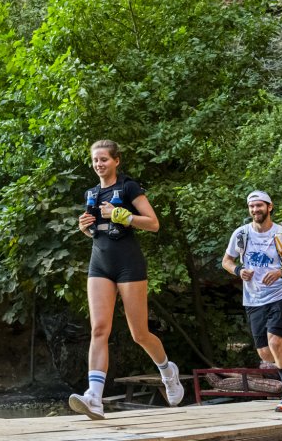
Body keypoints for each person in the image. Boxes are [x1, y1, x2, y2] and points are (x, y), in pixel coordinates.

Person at [68, 139, 184, 419]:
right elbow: (99, 231)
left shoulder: (129, 187)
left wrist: (124, 215)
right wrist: (85, 228)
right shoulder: (91, 193)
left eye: (104, 159)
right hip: (99, 264)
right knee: (99, 329)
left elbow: (153, 223)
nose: (99, 164)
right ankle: (94, 396)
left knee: (139, 334)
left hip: (128, 265)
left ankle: (168, 371)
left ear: (116, 161)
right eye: (95, 160)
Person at [221, 190, 282, 412]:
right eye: (251, 206)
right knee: (265, 353)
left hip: (280, 295)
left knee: (276, 343)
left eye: (259, 205)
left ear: (269, 207)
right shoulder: (241, 234)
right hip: (253, 299)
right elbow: (226, 261)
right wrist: (238, 270)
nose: (255, 210)